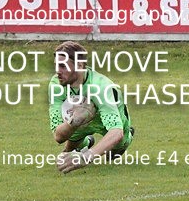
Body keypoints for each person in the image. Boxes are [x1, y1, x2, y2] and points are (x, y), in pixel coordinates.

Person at [49, 41, 135, 174]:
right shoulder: (56, 85)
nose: (57, 71)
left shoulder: (100, 87)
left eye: (63, 66)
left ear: (79, 65)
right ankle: (85, 142)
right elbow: (58, 136)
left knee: (112, 155)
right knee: (65, 154)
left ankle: (128, 135)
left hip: (108, 122)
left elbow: (116, 132)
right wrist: (73, 122)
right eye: (56, 65)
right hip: (80, 122)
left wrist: (86, 157)